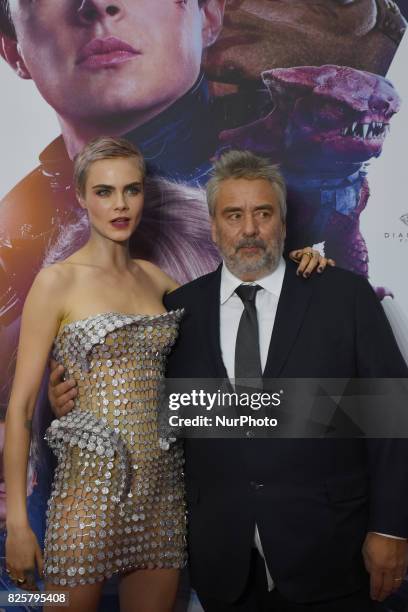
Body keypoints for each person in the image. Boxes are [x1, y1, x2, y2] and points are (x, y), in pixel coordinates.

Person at [51, 150, 408, 611]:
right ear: (214, 226)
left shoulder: (343, 295)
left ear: (283, 220)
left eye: (263, 213)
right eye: (233, 215)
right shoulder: (179, 310)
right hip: (223, 564)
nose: (250, 229)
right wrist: (71, 400)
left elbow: (393, 417)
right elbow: (147, 400)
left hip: (332, 554)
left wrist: (392, 527)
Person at [4, 136, 188, 612]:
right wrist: (20, 526)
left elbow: (234, 309)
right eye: (104, 191)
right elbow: (21, 408)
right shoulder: (57, 281)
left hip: (161, 497)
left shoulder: (161, 280)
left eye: (131, 190)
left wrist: (299, 264)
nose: (120, 204)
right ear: (82, 197)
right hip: (85, 500)